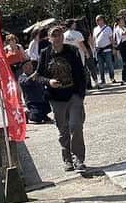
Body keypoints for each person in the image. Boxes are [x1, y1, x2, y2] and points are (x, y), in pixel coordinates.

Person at [30, 26, 89, 172]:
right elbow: (38, 76)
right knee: (63, 130)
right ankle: (67, 160)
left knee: (76, 126)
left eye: (60, 35)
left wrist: (80, 95)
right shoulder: (45, 53)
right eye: (54, 35)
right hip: (56, 98)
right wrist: (48, 82)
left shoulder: (72, 51)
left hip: (73, 95)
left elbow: (81, 74)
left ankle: (78, 159)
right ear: (49, 38)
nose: (57, 38)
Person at [21, 29, 53, 123]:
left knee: (50, 100)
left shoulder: (35, 74)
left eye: (30, 66)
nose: (29, 68)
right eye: (27, 67)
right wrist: (36, 72)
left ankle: (43, 114)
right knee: (37, 118)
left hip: (41, 99)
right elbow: (28, 81)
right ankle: (27, 113)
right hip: (33, 102)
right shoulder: (22, 77)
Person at [64, 19, 98, 90]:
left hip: (68, 55)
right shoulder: (78, 34)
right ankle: (86, 85)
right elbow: (81, 45)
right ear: (72, 25)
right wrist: (87, 52)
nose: (75, 25)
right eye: (74, 24)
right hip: (79, 54)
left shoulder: (64, 35)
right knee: (83, 70)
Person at [91, 15, 116, 85]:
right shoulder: (95, 29)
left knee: (110, 65)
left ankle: (112, 78)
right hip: (98, 50)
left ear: (102, 20)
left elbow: (111, 39)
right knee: (100, 66)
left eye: (98, 20)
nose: (97, 21)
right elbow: (94, 39)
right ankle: (102, 80)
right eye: (96, 20)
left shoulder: (108, 28)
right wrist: (93, 49)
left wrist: (113, 48)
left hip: (107, 49)